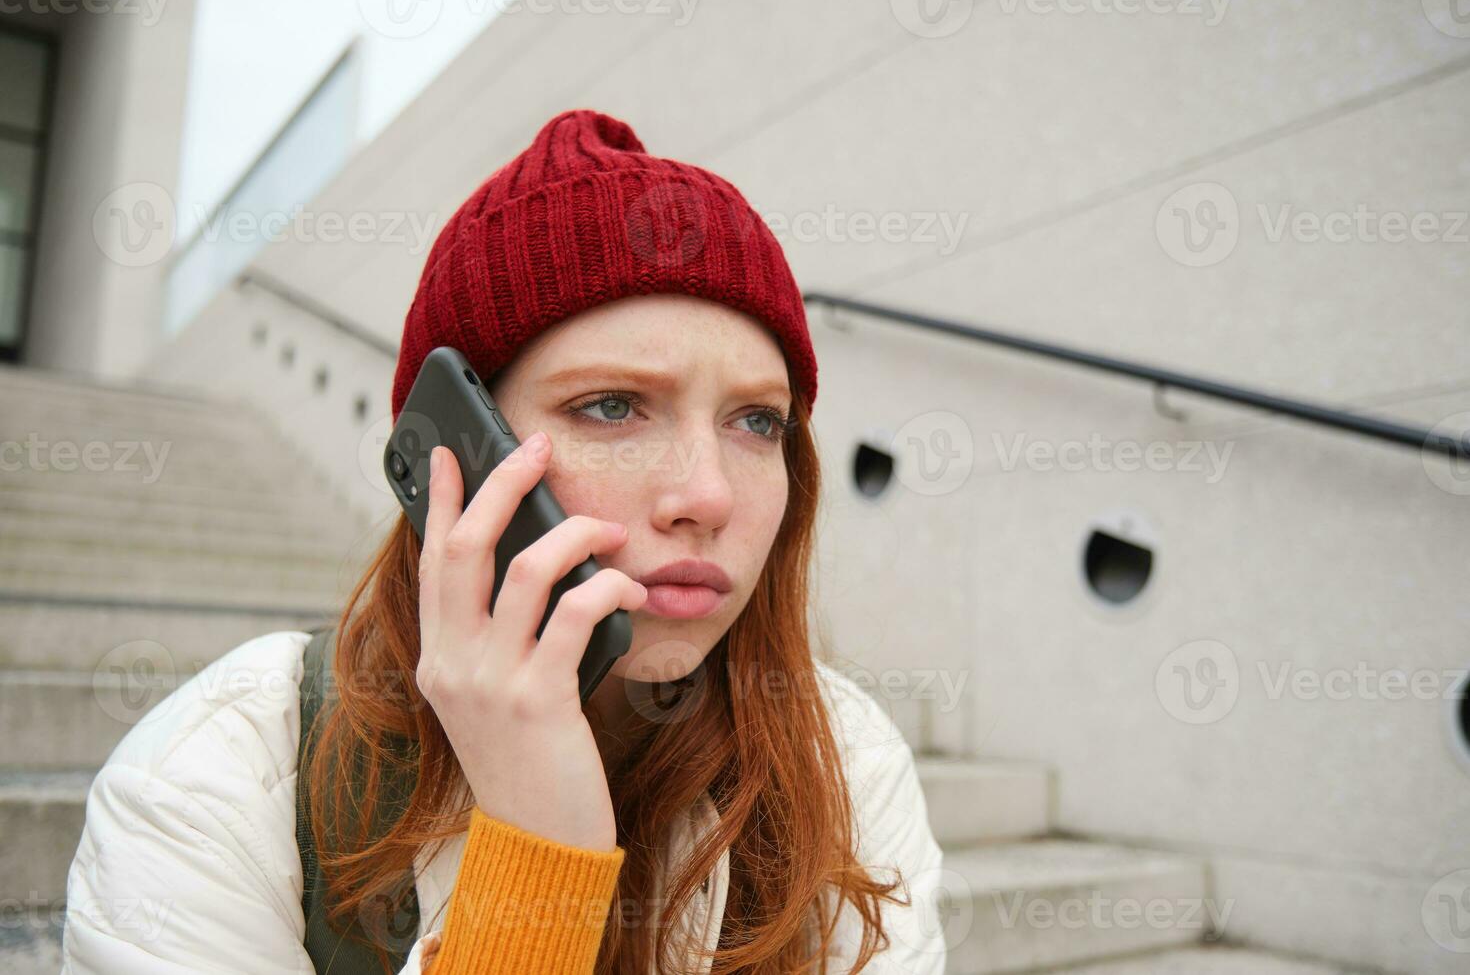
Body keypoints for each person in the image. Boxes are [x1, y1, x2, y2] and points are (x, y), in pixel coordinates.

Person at [61, 108, 946, 974]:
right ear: (456, 450)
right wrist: (534, 858)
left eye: (757, 421)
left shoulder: (849, 762)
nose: (707, 496)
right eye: (611, 407)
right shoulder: (218, 775)